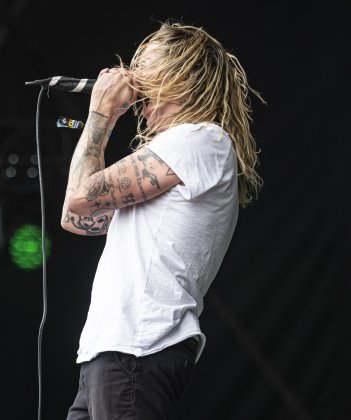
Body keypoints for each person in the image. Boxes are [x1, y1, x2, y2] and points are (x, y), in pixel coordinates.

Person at [60, 21, 263, 419]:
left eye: (147, 70)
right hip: (114, 350)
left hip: (139, 348)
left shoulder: (201, 139)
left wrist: (101, 114)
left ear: (179, 77)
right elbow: (73, 215)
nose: (136, 82)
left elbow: (82, 198)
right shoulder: (176, 155)